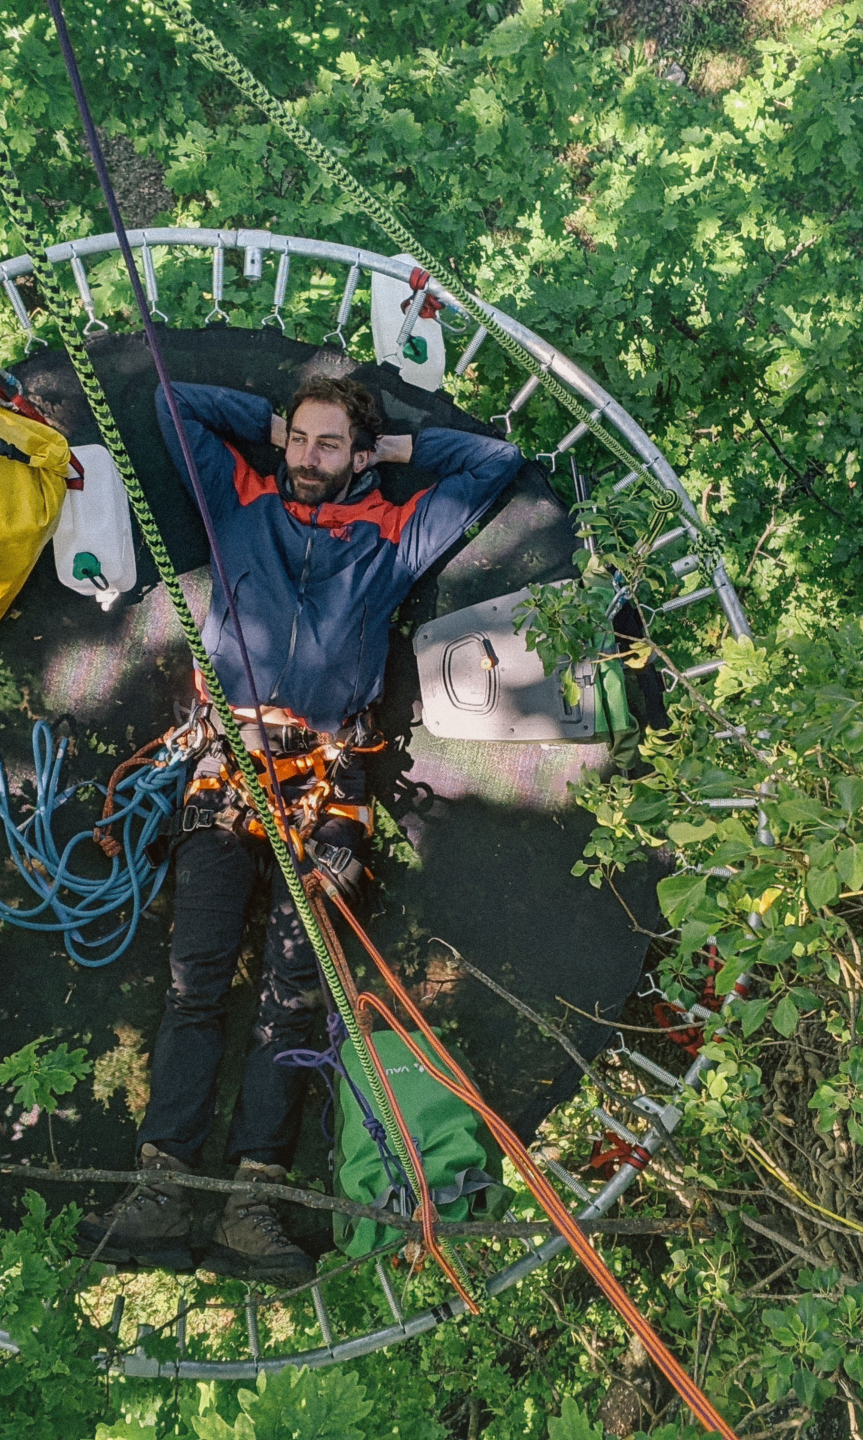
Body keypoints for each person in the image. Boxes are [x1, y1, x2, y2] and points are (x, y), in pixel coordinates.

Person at [75, 375, 524, 1281]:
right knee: (195, 981)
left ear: (358, 456)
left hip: (325, 789)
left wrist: (393, 451)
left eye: (329, 447)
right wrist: (273, 425)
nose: (308, 461)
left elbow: (496, 463)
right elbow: (174, 406)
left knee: (291, 996)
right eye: (301, 443)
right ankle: (160, 1191)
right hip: (227, 770)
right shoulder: (243, 500)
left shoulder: (393, 537)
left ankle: (254, 1205)